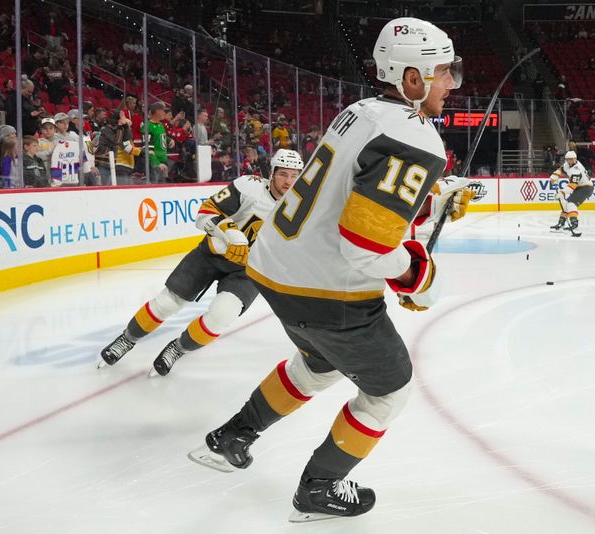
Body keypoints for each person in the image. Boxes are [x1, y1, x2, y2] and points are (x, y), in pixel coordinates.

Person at [188, 17, 466, 522]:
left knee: (318, 363)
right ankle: (319, 487)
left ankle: (231, 437)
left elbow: (341, 198)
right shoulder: (415, 136)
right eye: (445, 71)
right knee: (389, 390)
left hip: (274, 267)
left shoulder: (361, 111)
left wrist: (424, 207)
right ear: (411, 78)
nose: (452, 84)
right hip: (326, 289)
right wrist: (417, 275)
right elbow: (363, 244)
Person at [98, 149, 304, 375]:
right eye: (283, 174)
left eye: (295, 176)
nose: (289, 181)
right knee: (167, 303)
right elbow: (205, 213)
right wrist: (230, 232)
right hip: (211, 254)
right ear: (272, 173)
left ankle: (178, 349)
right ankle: (127, 339)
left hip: (248, 272)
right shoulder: (249, 186)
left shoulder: (301, 209)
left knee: (221, 316)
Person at [549, 150, 593, 234]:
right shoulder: (567, 164)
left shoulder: (577, 169)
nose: (569, 161)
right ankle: (561, 223)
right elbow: (561, 169)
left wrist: (561, 193)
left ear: (575, 159)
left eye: (571, 159)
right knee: (566, 204)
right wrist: (554, 176)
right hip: (579, 187)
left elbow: (572, 186)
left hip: (586, 187)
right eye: (568, 159)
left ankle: (574, 223)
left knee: (571, 204)